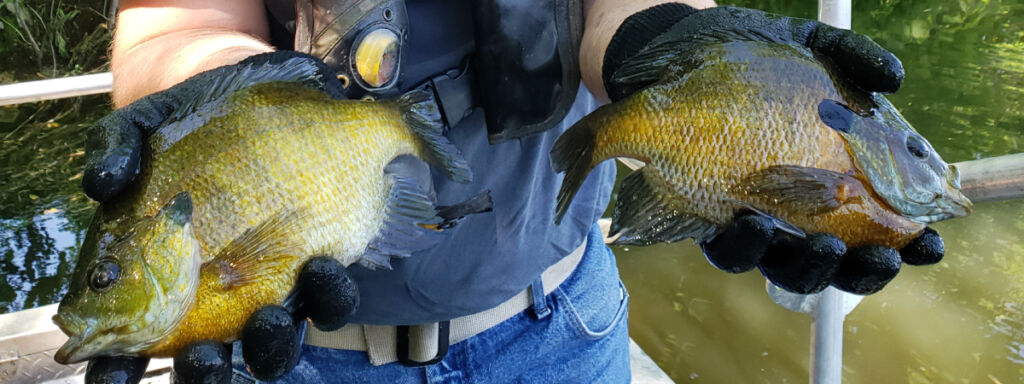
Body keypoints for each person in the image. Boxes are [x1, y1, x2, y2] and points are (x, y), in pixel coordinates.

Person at [79, 0, 943, 382]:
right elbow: (181, 20)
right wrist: (214, 106)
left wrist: (672, 47)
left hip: (564, 331)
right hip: (300, 358)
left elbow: (626, 4)